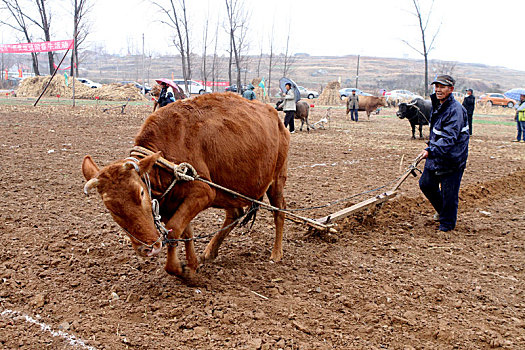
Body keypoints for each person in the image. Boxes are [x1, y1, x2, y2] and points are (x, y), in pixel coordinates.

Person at [418, 74, 470, 232]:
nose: (438, 90)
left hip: (452, 158)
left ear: (451, 89)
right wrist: (431, 148)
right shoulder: (438, 104)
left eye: (442, 87)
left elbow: (448, 139)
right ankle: (443, 212)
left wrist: (430, 150)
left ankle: (447, 225)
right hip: (437, 154)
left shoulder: (455, 110)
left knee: (449, 193)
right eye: (437, 86)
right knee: (426, 184)